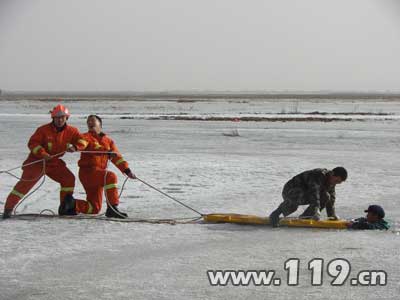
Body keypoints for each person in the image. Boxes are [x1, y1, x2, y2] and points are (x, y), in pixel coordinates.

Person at [2, 104, 88, 219]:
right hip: (36, 162)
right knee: (23, 186)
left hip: (54, 163)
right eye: (57, 117)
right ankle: (8, 209)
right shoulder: (43, 130)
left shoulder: (72, 131)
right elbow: (33, 143)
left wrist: (76, 147)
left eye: (62, 117)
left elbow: (83, 140)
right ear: (53, 118)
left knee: (69, 179)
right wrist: (42, 154)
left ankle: (65, 207)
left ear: (67, 118)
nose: (60, 120)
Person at [71, 115, 136, 219]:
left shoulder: (109, 141)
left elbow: (117, 158)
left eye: (92, 121)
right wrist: (75, 147)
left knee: (95, 208)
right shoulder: (86, 137)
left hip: (98, 175)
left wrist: (127, 171)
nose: (90, 123)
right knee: (110, 176)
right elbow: (82, 144)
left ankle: (71, 204)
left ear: (100, 124)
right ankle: (113, 208)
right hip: (88, 173)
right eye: (88, 121)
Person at [269, 167, 348, 227]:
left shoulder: (331, 181)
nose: (336, 183)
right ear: (332, 174)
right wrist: (317, 209)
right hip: (290, 191)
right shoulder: (318, 174)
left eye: (338, 182)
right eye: (336, 181)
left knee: (326, 196)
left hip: (306, 193)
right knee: (294, 205)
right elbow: (314, 191)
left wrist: (331, 216)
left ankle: (305, 217)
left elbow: (331, 198)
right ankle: (275, 214)